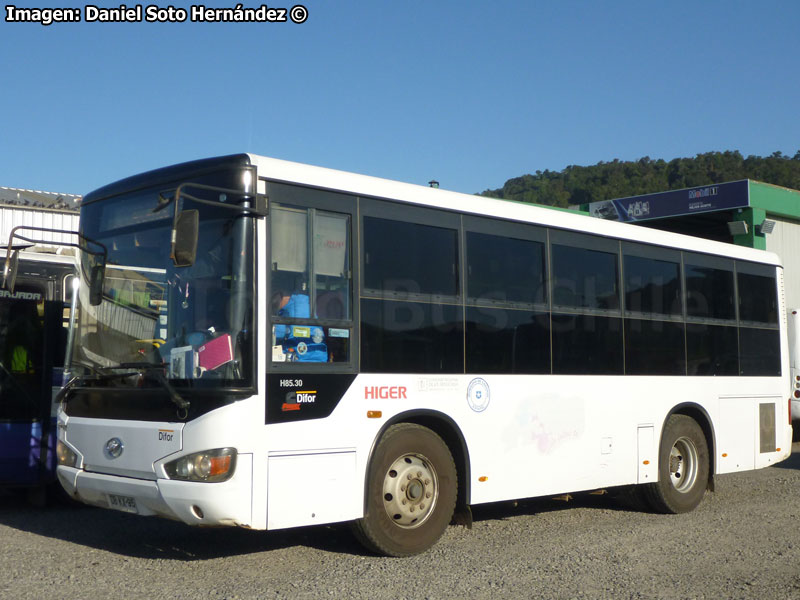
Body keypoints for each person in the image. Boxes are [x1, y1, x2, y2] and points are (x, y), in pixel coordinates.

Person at [272, 290, 327, 362]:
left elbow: (277, 333)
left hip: (305, 359)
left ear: (282, 296)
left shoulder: (293, 310)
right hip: (319, 357)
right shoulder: (303, 304)